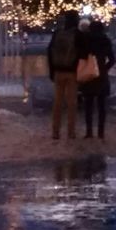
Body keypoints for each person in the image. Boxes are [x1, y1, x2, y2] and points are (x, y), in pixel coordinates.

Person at [47, 10, 83, 140]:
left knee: (57, 102)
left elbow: (50, 51)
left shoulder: (57, 34)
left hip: (58, 71)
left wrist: (51, 71)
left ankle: (55, 132)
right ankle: (70, 132)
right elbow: (82, 53)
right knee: (71, 103)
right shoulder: (77, 34)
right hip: (72, 72)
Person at [79, 17, 116, 140]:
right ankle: (101, 132)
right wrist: (104, 68)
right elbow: (112, 59)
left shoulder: (86, 40)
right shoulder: (105, 40)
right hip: (101, 74)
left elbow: (81, 56)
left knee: (88, 105)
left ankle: (89, 132)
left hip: (89, 73)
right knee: (101, 106)